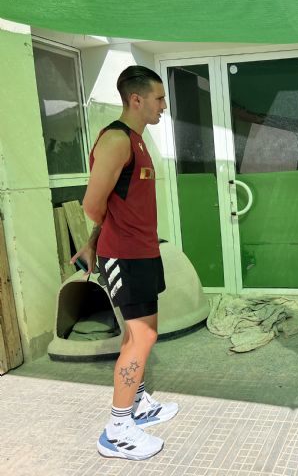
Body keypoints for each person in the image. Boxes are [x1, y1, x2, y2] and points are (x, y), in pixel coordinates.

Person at [71, 65, 178, 459]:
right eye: (159, 97)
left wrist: (93, 240)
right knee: (141, 337)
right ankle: (116, 429)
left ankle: (138, 404)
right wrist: (102, 243)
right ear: (137, 99)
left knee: (146, 331)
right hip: (127, 256)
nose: (163, 105)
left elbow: (115, 204)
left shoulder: (137, 140)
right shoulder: (117, 140)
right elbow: (92, 204)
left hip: (143, 252)